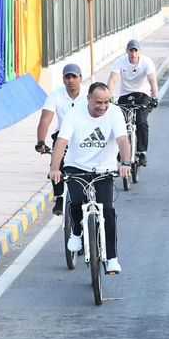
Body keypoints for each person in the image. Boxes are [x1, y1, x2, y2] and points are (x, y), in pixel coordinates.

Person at [49, 83, 131, 275]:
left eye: (106, 102)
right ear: (88, 99)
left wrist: (126, 162)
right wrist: (54, 168)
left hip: (104, 168)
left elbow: (122, 139)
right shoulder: (74, 114)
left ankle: (111, 258)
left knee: (108, 210)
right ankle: (76, 231)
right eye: (98, 103)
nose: (102, 107)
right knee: (76, 200)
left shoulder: (115, 113)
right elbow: (61, 142)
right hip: (77, 166)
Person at [35, 62, 83, 216]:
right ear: (63, 80)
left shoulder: (89, 93)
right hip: (63, 135)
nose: (71, 80)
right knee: (57, 161)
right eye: (67, 77)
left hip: (84, 134)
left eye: (74, 76)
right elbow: (45, 120)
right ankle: (59, 197)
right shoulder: (55, 95)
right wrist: (41, 142)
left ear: (80, 78)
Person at [107, 39, 159, 167]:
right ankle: (121, 149)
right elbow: (112, 80)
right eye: (131, 50)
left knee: (141, 121)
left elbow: (152, 80)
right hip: (126, 95)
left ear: (139, 51)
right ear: (127, 51)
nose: (133, 53)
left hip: (143, 95)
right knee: (121, 123)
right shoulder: (120, 62)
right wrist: (109, 97)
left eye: (136, 50)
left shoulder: (147, 62)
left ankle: (142, 152)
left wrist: (155, 98)